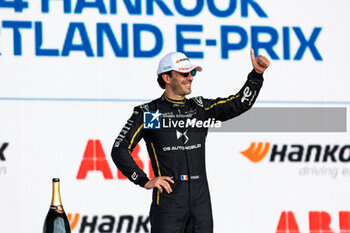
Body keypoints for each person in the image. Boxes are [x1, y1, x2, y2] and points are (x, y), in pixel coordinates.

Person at [111, 49, 270, 233]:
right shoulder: (150, 112)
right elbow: (119, 149)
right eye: (184, 73)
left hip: (200, 202)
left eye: (192, 73)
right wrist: (144, 180)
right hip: (169, 203)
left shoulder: (200, 109)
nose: (190, 78)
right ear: (167, 77)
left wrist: (256, 75)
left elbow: (240, 103)